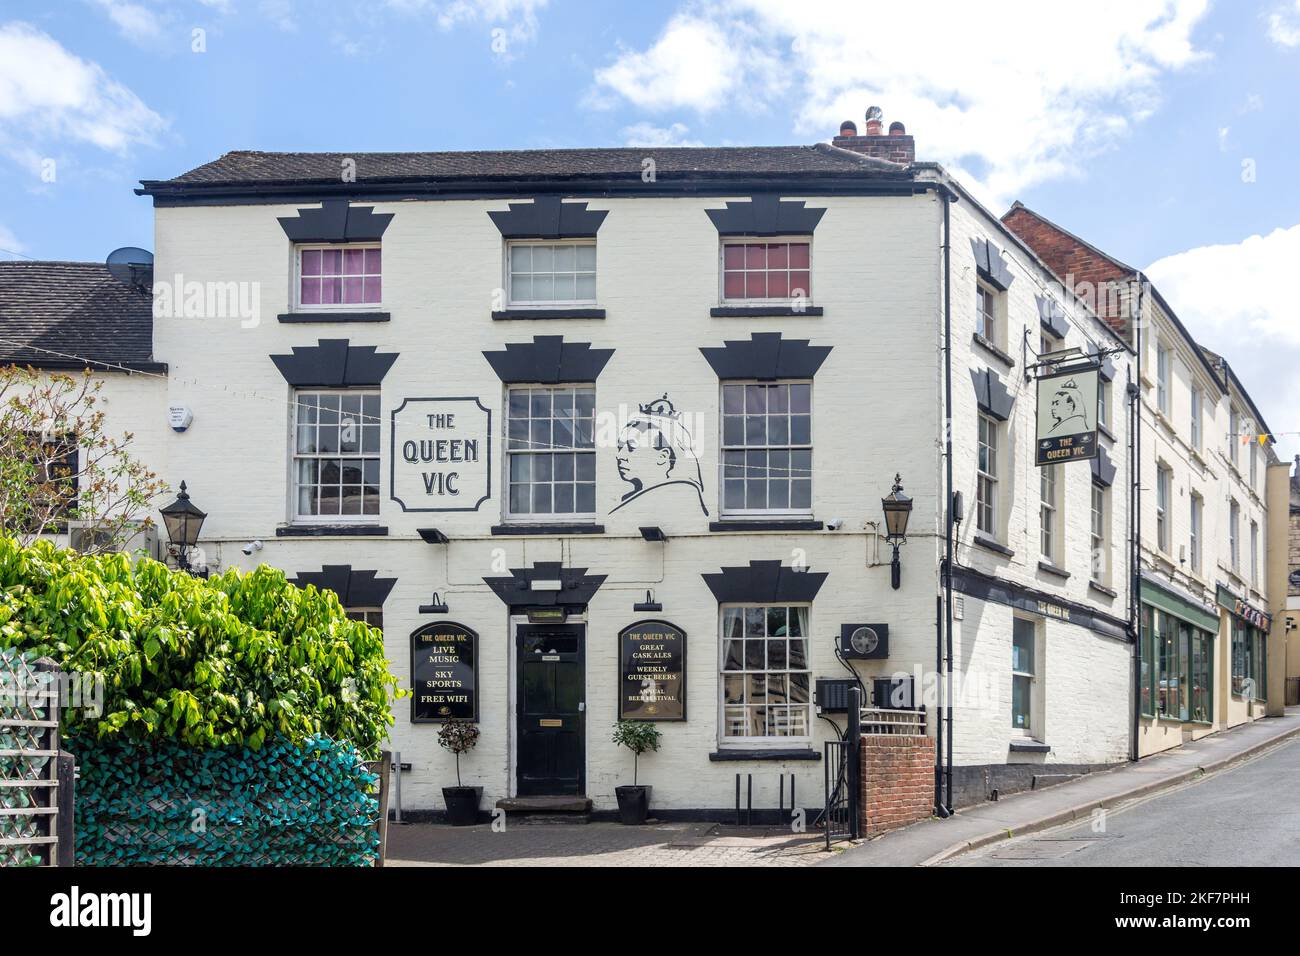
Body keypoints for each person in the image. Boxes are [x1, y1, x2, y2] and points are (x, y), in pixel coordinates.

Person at [611, 394, 708, 515]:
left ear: (662, 456)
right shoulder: (631, 501)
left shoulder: (679, 502)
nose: (619, 456)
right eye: (620, 447)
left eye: (631, 448)